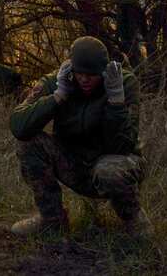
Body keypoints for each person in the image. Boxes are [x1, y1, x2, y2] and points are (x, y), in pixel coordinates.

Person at [9, 36, 147, 237]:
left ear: (103, 70)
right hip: (73, 163)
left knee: (110, 170)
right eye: (79, 73)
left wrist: (116, 101)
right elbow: (19, 126)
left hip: (113, 161)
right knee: (28, 143)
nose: (84, 79)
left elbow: (122, 146)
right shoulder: (57, 80)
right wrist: (58, 96)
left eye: (91, 74)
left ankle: (134, 219)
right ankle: (51, 219)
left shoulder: (124, 82)